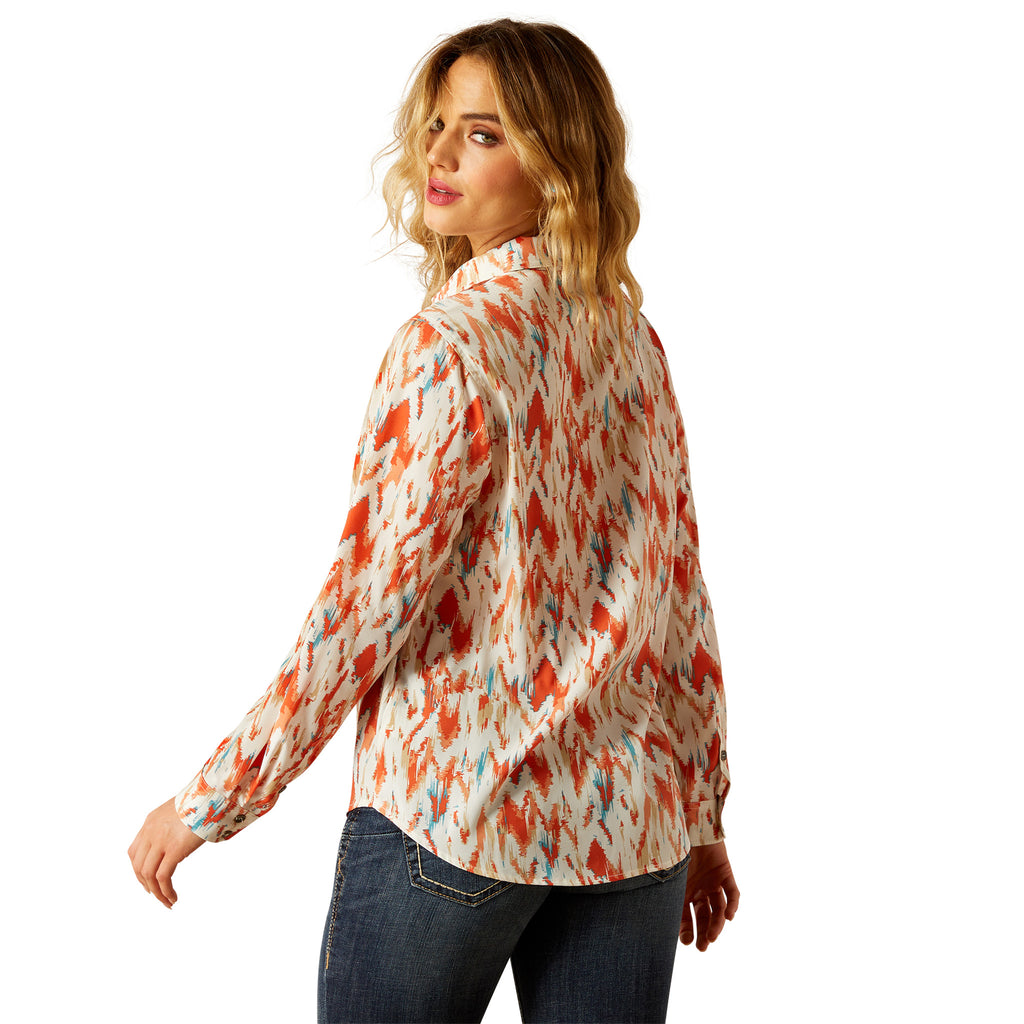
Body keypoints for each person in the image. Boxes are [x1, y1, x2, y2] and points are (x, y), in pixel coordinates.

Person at [128, 18, 739, 1024]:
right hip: (631, 827)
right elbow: (679, 590)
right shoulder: (630, 341)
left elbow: (366, 608)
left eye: (484, 133)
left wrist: (213, 800)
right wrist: (700, 813)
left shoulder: (449, 344)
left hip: (457, 815)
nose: (440, 155)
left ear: (556, 161)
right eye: (438, 126)